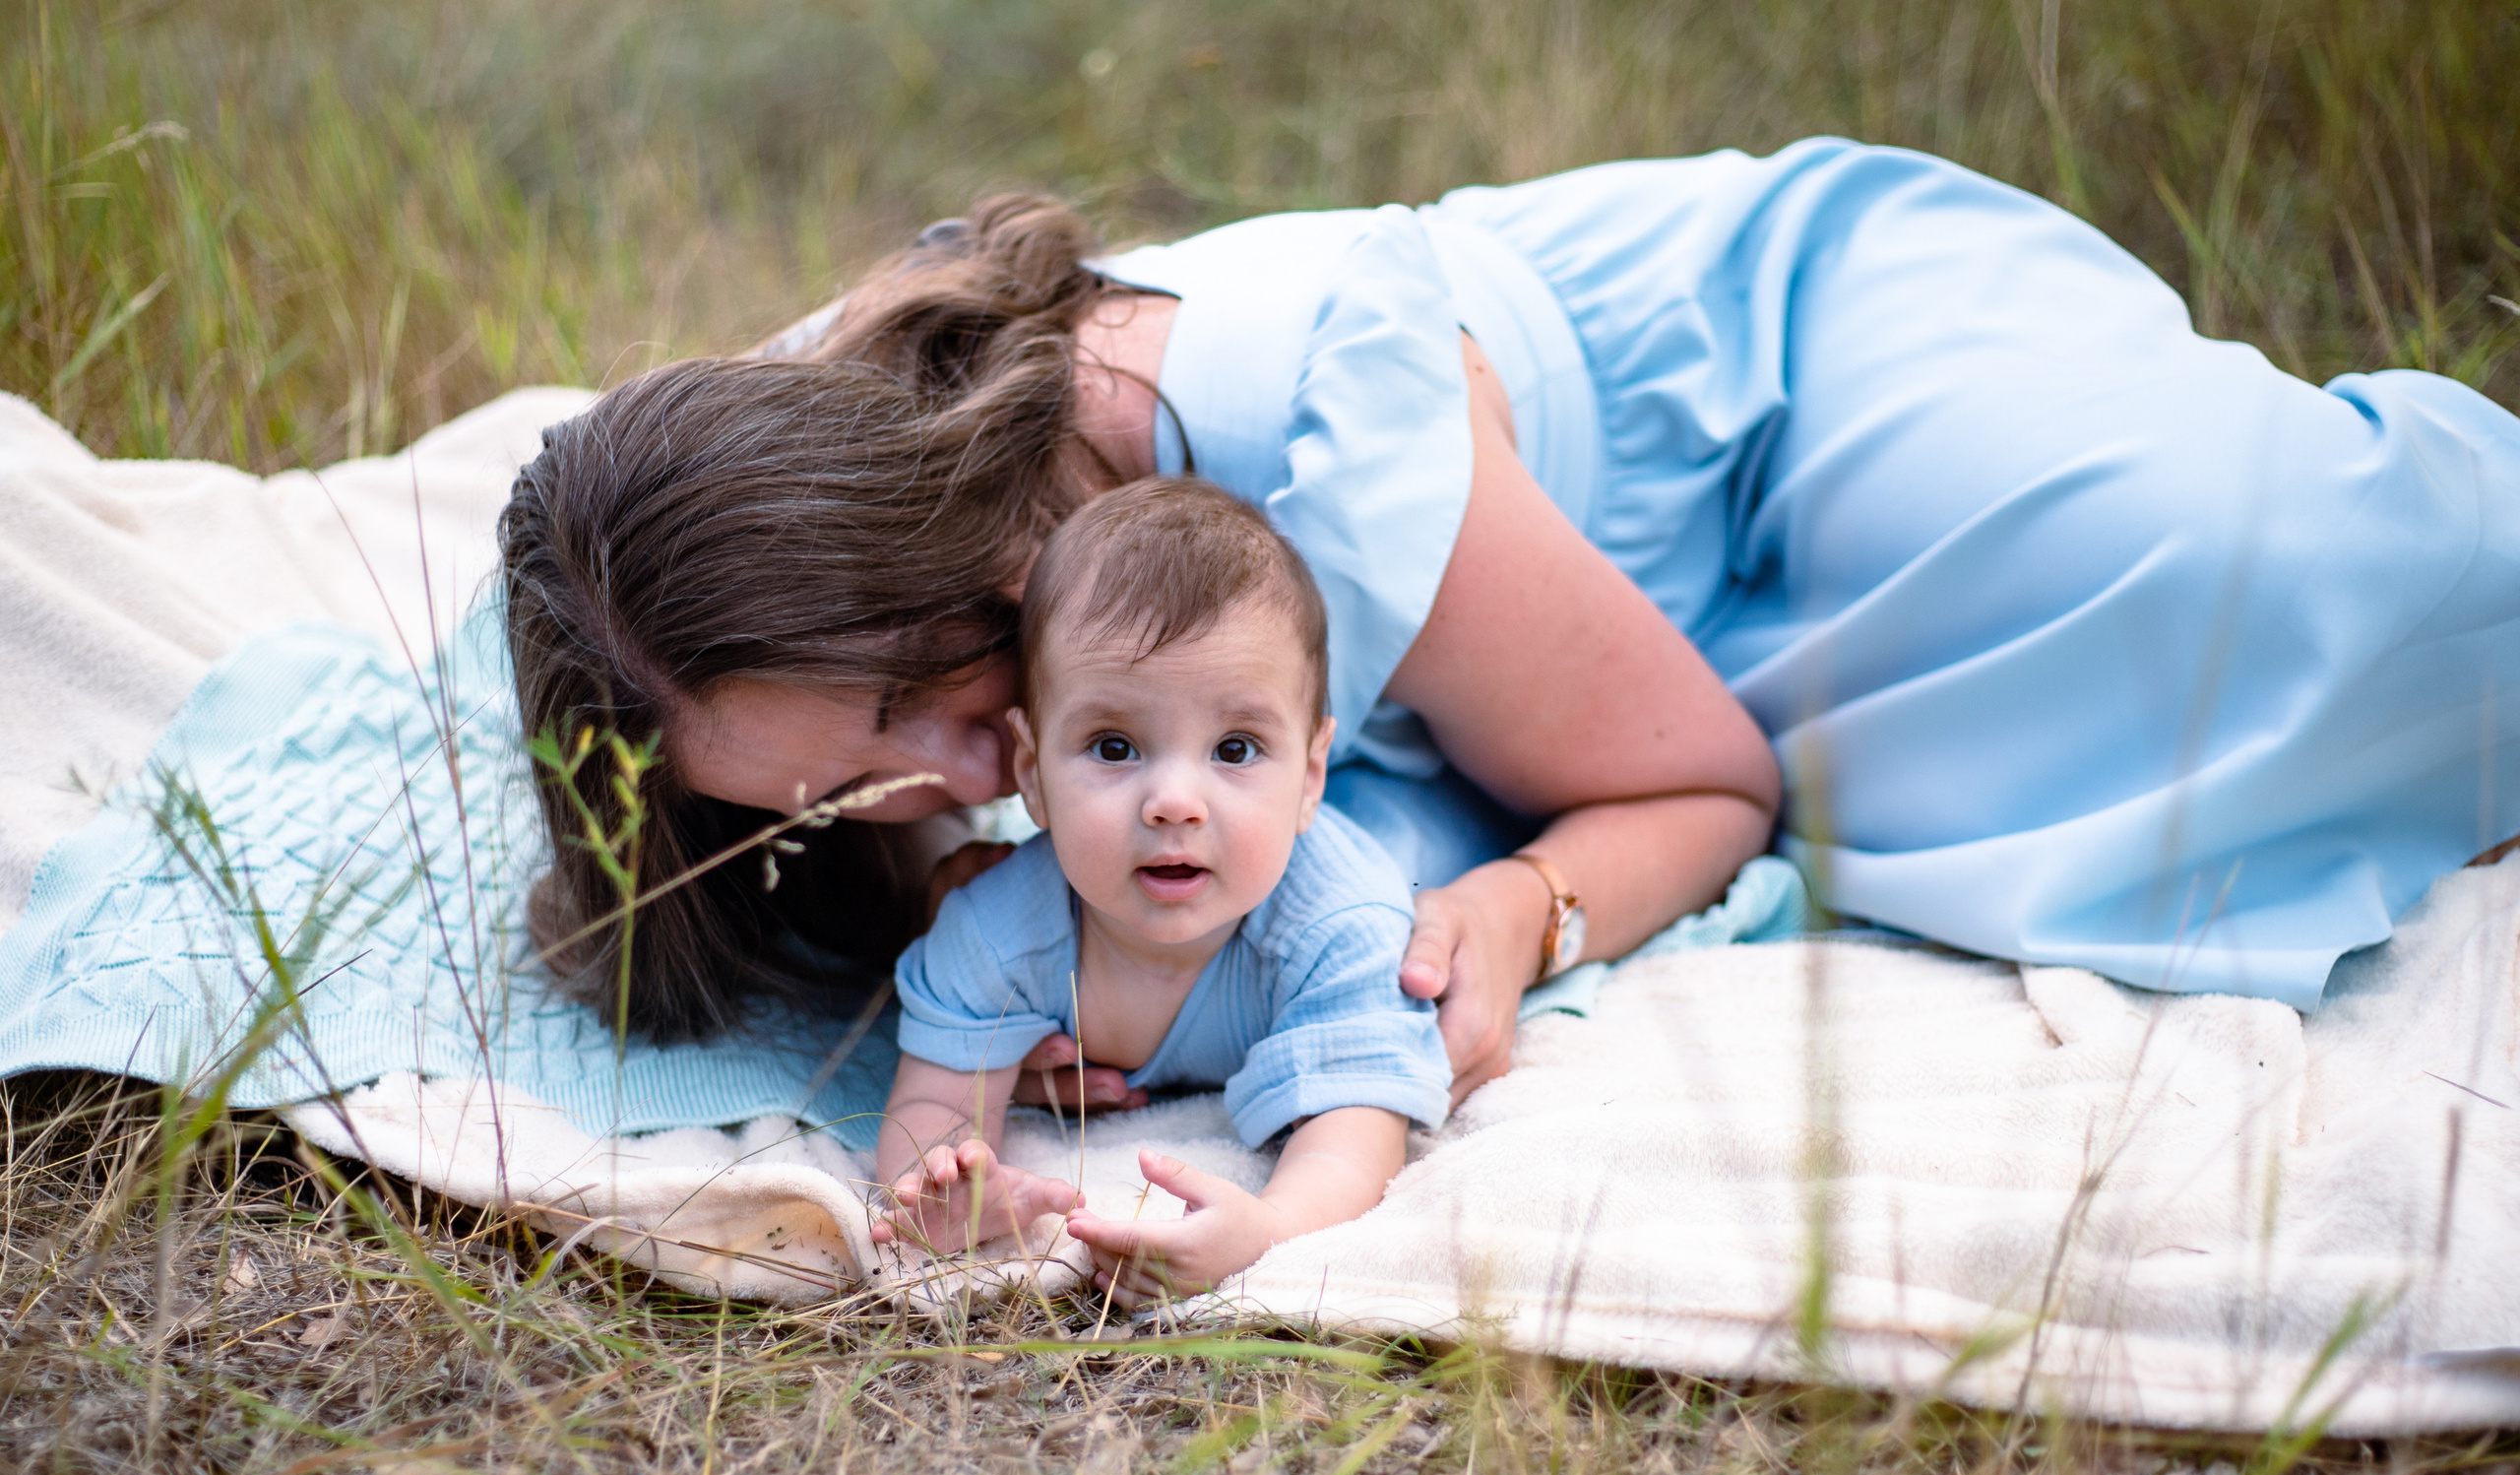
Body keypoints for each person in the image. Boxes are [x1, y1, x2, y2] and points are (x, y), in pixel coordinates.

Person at [499, 138, 2520, 1110]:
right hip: (1510, 604)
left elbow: (1697, 782)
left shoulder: (1302, 427)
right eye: (833, 799)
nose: (933, 799)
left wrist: (1529, 912)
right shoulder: (706, 559)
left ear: (916, 551)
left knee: (2233, 580)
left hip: (1757, 393)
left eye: (905, 721)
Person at [869, 477, 1451, 1302]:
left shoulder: (1341, 923)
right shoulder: (997, 930)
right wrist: (948, 1182)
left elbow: (1354, 1133)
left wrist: (1270, 1226)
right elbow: (932, 1102)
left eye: (1237, 748)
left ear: (1312, 772)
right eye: (1114, 747)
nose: (1175, 801)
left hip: (1424, 823)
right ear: (1031, 773)